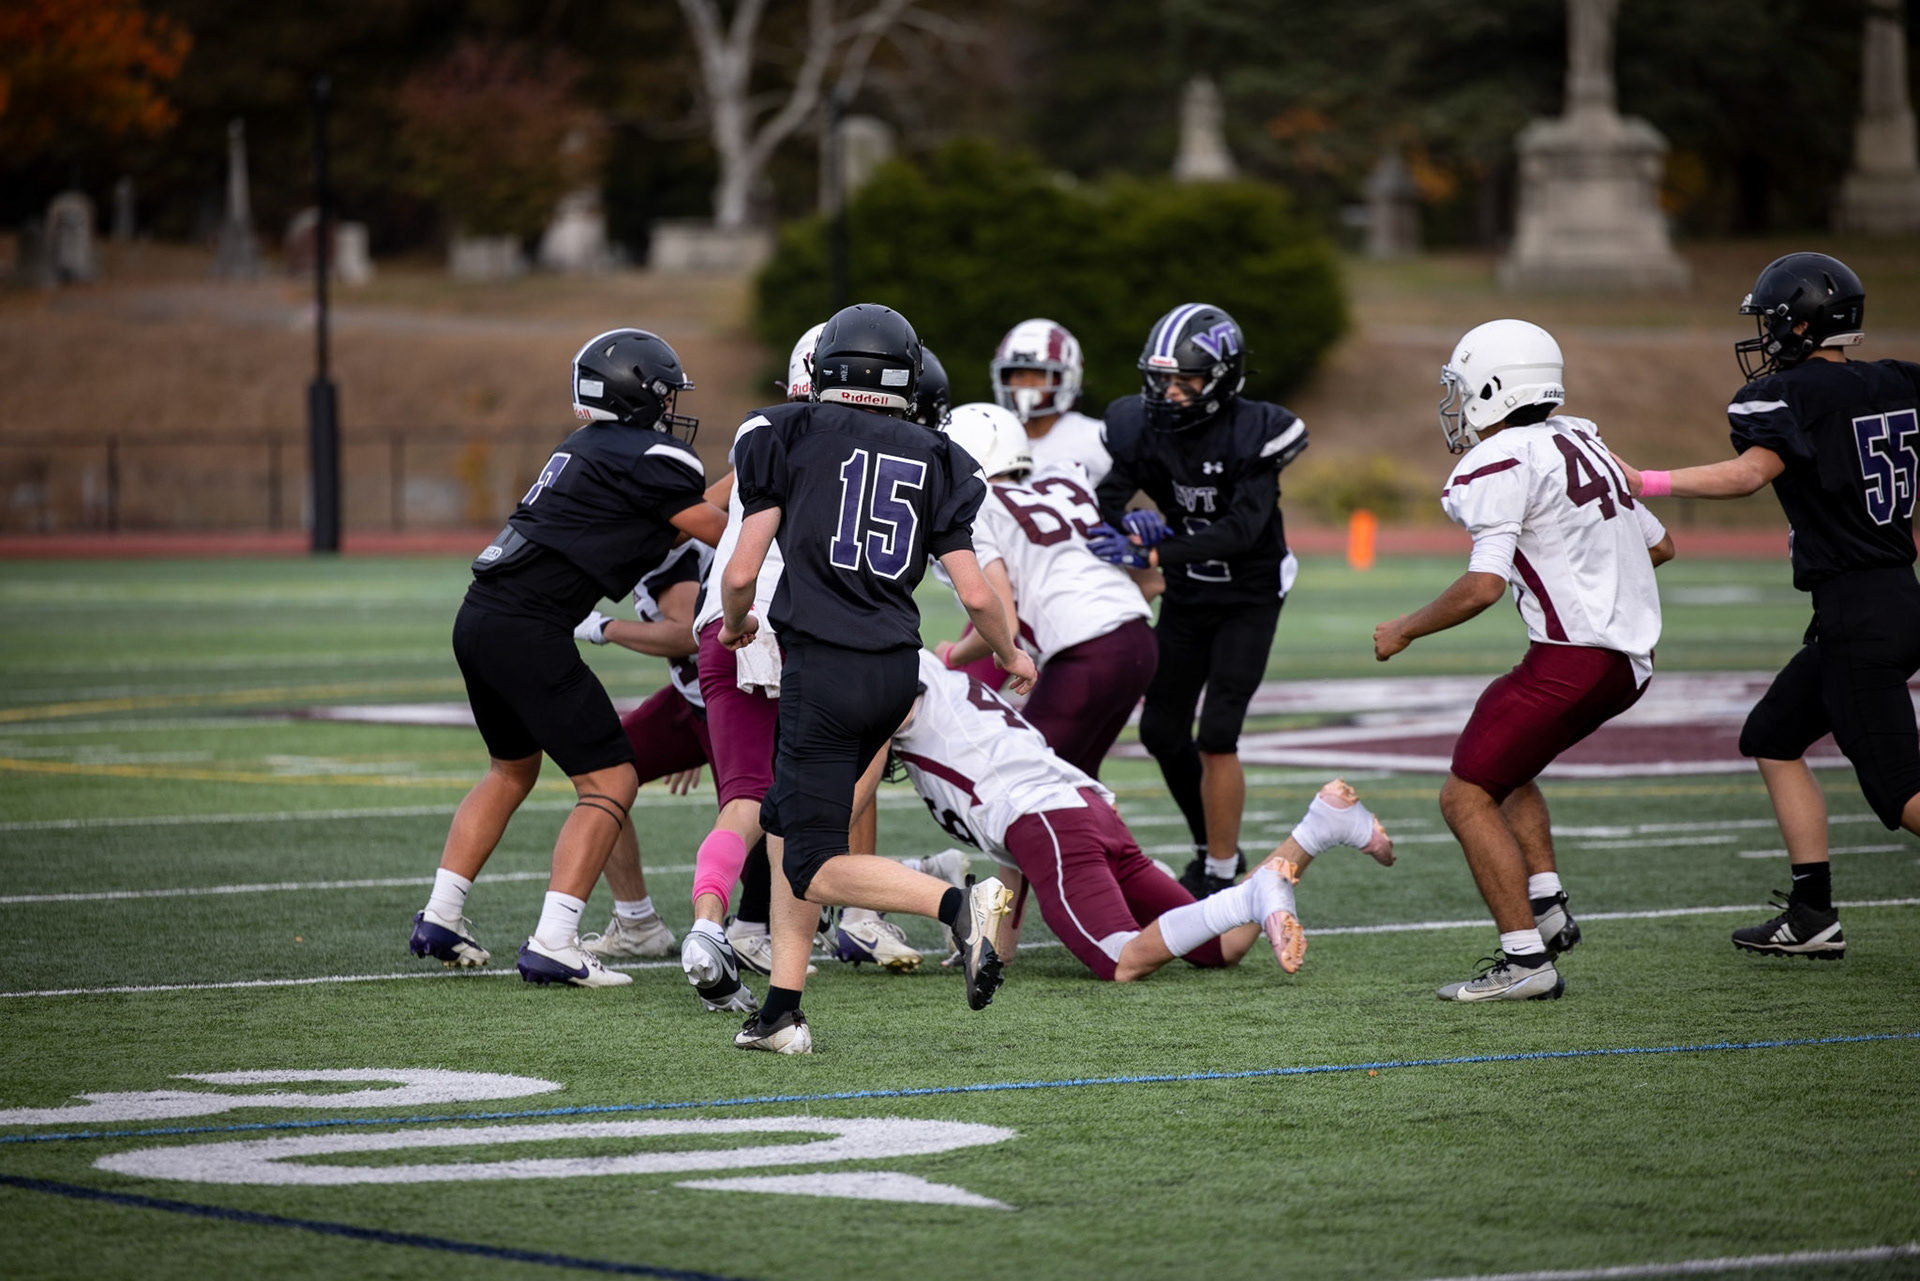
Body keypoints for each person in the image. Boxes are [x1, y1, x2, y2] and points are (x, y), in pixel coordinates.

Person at [719, 302, 1039, 1054]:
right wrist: (1014, 654)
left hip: (823, 669)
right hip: (895, 673)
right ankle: (782, 1010)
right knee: (790, 826)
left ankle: (961, 905)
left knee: (811, 859)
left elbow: (740, 569)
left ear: (826, 365)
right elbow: (979, 595)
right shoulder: (940, 453)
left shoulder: (783, 431)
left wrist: (736, 621)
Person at [1611, 252, 1920, 961]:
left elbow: (1752, 473)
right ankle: (1812, 913)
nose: (1767, 337)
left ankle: (1814, 914)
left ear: (1804, 322)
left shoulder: (1790, 396)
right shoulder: (1899, 381)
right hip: (1894, 595)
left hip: (1856, 612)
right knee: (1772, 734)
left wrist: (1646, 480)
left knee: (1903, 791)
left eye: (1774, 321)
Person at [408, 328, 726, 988]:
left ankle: (441, 915)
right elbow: (714, 530)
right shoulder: (652, 456)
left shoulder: (587, 448)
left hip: (480, 617)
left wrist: (743, 478)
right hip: (530, 627)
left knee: (508, 771)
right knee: (611, 781)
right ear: (639, 396)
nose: (669, 409)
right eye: (663, 395)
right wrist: (782, 514)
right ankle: (555, 939)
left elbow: (670, 518)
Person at [1373, 319, 1674, 1002]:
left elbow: (1482, 586)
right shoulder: (1580, 438)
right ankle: (1545, 901)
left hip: (1577, 657)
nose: (1455, 405)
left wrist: (1404, 629)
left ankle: (1525, 960)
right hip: (1628, 659)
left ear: (1491, 388)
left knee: (1463, 794)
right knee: (1503, 760)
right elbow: (1660, 545)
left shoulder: (1505, 456)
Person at [871, 650, 1394, 982]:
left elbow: (1015, 820)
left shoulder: (892, 676)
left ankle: (1257, 892)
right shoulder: (948, 689)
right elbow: (1013, 851)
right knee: (1223, 947)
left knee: (1124, 960)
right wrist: (996, 950)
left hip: (1050, 824)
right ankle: (1320, 826)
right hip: (1086, 811)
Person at [1094, 303, 1308, 900]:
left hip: (1249, 594)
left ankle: (1219, 872)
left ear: (1222, 379)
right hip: (1190, 593)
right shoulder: (1143, 426)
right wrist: (1133, 524)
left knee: (1217, 732)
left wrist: (1160, 554)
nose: (1171, 392)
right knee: (1162, 730)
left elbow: (1242, 529)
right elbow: (1106, 497)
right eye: (1163, 379)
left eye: (1186, 380)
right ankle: (1210, 844)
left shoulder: (1255, 429)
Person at [936, 401, 1156, 777]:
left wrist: (953, 656)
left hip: (1086, 652)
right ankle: (1108, 838)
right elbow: (1151, 578)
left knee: (1024, 780)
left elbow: (1002, 617)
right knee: (1077, 779)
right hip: (1140, 637)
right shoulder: (1065, 479)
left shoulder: (978, 507)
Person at [568, 537, 712, 959]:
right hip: (698, 698)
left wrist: (601, 627)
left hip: (734, 705)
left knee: (753, 816)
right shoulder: (670, 528)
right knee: (603, 771)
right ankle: (637, 922)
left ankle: (769, 926)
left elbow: (686, 633)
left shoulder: (666, 542)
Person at [992, 317, 1109, 484]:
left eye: (1040, 374)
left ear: (1066, 379)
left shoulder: (1096, 439)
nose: (1028, 384)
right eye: (1019, 374)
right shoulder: (992, 437)